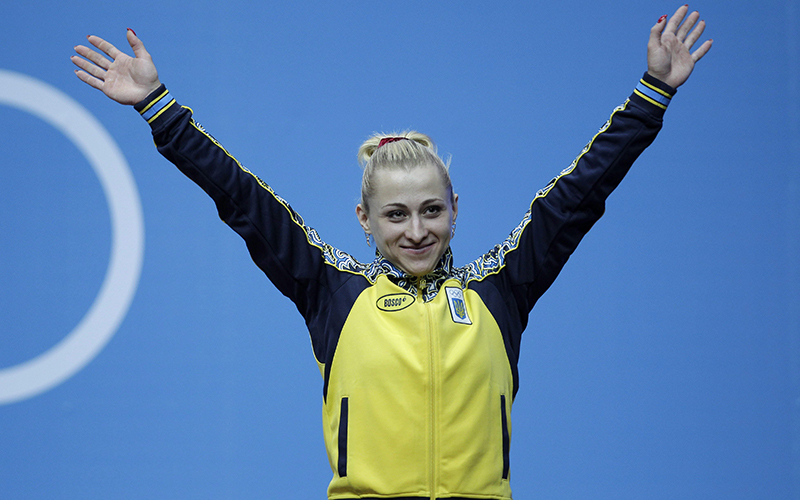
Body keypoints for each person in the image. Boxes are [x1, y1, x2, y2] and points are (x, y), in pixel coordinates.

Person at [72, 5, 711, 499]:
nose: (416, 231)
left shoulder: (501, 289)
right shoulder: (332, 290)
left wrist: (652, 92)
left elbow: (579, 195)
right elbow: (243, 199)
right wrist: (159, 108)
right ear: (366, 221)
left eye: (432, 210)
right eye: (396, 215)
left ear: (455, 209)